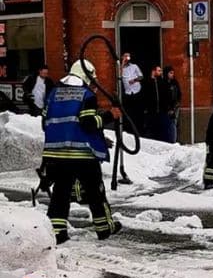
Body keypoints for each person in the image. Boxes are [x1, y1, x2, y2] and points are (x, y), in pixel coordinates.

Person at [42, 59, 123, 244]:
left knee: (60, 193)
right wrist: (110, 115)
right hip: (82, 155)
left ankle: (58, 232)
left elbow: (45, 121)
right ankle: (104, 228)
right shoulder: (86, 95)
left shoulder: (53, 93)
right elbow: (88, 123)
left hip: (56, 154)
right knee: (95, 191)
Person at [143, 65, 168, 141]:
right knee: (151, 125)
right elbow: (145, 95)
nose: (161, 72)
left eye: (161, 71)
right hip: (151, 109)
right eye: (159, 71)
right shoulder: (148, 82)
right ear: (153, 71)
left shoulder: (161, 81)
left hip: (160, 109)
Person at [120, 53, 144, 131]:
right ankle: (129, 129)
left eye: (128, 56)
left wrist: (134, 80)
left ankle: (139, 129)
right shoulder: (120, 68)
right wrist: (123, 63)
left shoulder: (134, 66)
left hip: (137, 91)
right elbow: (119, 76)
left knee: (138, 111)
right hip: (128, 93)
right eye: (125, 56)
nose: (127, 57)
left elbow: (141, 76)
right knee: (129, 112)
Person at [162, 65, 182, 144]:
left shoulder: (175, 82)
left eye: (173, 73)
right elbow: (164, 96)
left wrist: (177, 103)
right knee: (168, 124)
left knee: (174, 123)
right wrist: (168, 107)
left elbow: (179, 94)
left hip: (175, 106)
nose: (172, 74)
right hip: (166, 107)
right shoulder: (163, 83)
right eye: (170, 73)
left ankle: (173, 140)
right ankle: (169, 140)